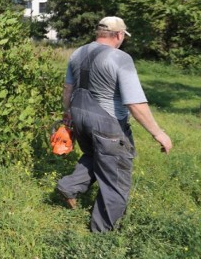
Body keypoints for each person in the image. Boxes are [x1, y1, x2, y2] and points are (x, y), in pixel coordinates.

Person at [56, 16, 172, 232]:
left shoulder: (77, 53)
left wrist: (67, 115)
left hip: (79, 116)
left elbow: (67, 89)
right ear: (119, 35)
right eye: (123, 37)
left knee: (93, 155)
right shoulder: (120, 58)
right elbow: (135, 102)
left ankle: (69, 186)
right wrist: (158, 133)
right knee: (116, 181)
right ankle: (100, 234)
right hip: (107, 124)